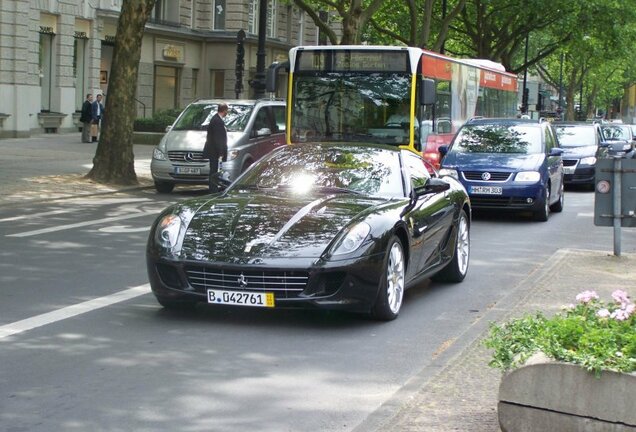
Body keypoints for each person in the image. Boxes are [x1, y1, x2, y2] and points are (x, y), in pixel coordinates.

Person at [203, 103, 229, 192]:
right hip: (214, 151)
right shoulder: (217, 121)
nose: (227, 113)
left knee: (214, 170)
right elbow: (218, 138)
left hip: (213, 151)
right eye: (227, 111)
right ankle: (213, 189)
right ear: (224, 110)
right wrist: (221, 152)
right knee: (214, 171)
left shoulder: (216, 119)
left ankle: (213, 188)